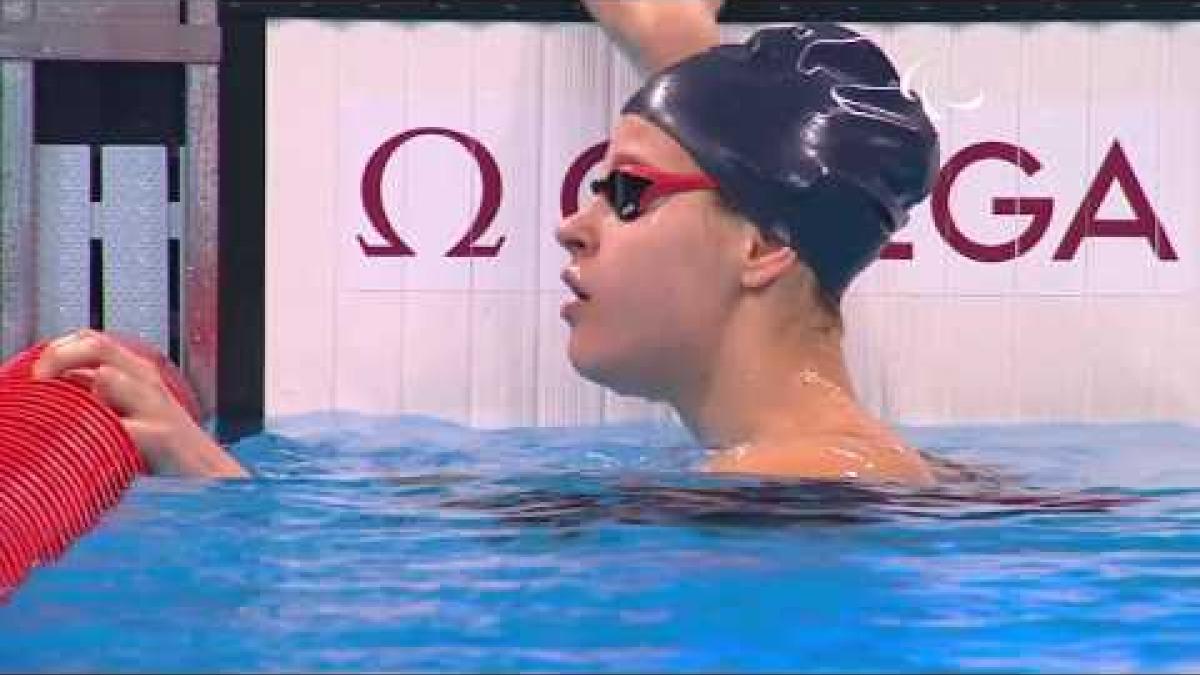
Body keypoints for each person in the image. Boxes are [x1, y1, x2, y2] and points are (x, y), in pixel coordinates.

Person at [33, 1, 941, 485]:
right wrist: (677, 44)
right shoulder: (814, 479)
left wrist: (214, 485)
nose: (570, 223)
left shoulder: (789, 498)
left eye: (625, 191)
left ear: (763, 249)